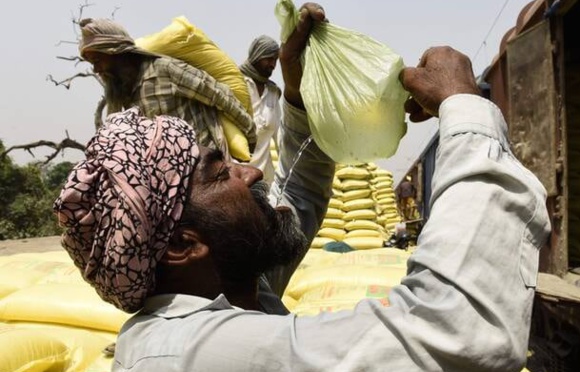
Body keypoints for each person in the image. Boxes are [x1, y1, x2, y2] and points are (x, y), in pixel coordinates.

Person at [54, 3, 551, 371]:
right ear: (185, 244)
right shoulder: (198, 353)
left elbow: (300, 197)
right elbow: (455, 330)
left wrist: (298, 95)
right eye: (218, 173)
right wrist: (465, 106)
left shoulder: (225, 285)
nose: (249, 172)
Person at [78, 18, 256, 161]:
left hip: (203, 166)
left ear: (116, 53)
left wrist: (250, 133)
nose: (96, 70)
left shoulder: (166, 69)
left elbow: (219, 95)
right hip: (162, 176)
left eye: (97, 61)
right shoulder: (125, 90)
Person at [239, 35, 282, 185]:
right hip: (237, 175)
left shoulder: (273, 92)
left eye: (275, 60)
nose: (273, 64)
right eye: (269, 59)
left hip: (263, 178)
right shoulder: (238, 84)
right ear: (257, 56)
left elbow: (279, 137)